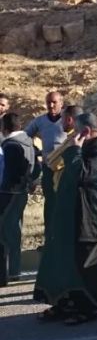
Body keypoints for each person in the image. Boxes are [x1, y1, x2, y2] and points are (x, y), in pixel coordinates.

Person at [34, 112, 97, 325]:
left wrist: (74, 150)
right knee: (73, 265)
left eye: (76, 132)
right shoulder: (90, 147)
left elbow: (82, 173)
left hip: (95, 220)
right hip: (80, 216)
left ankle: (89, 309)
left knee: (91, 268)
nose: (72, 136)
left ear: (86, 132)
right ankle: (68, 303)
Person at [0, 113, 36, 286]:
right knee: (15, 230)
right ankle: (14, 270)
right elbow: (35, 166)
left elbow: (7, 172)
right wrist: (31, 181)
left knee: (6, 233)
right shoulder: (28, 142)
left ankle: (7, 272)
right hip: (21, 193)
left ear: (4, 128)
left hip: (8, 193)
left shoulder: (9, 146)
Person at [25, 91, 66, 237]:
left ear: (61, 103)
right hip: (48, 167)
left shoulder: (68, 120)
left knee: (65, 201)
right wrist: (34, 151)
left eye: (54, 102)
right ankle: (49, 237)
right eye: (49, 102)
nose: (51, 105)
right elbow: (26, 135)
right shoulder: (40, 121)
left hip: (65, 168)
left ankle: (63, 237)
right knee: (50, 202)